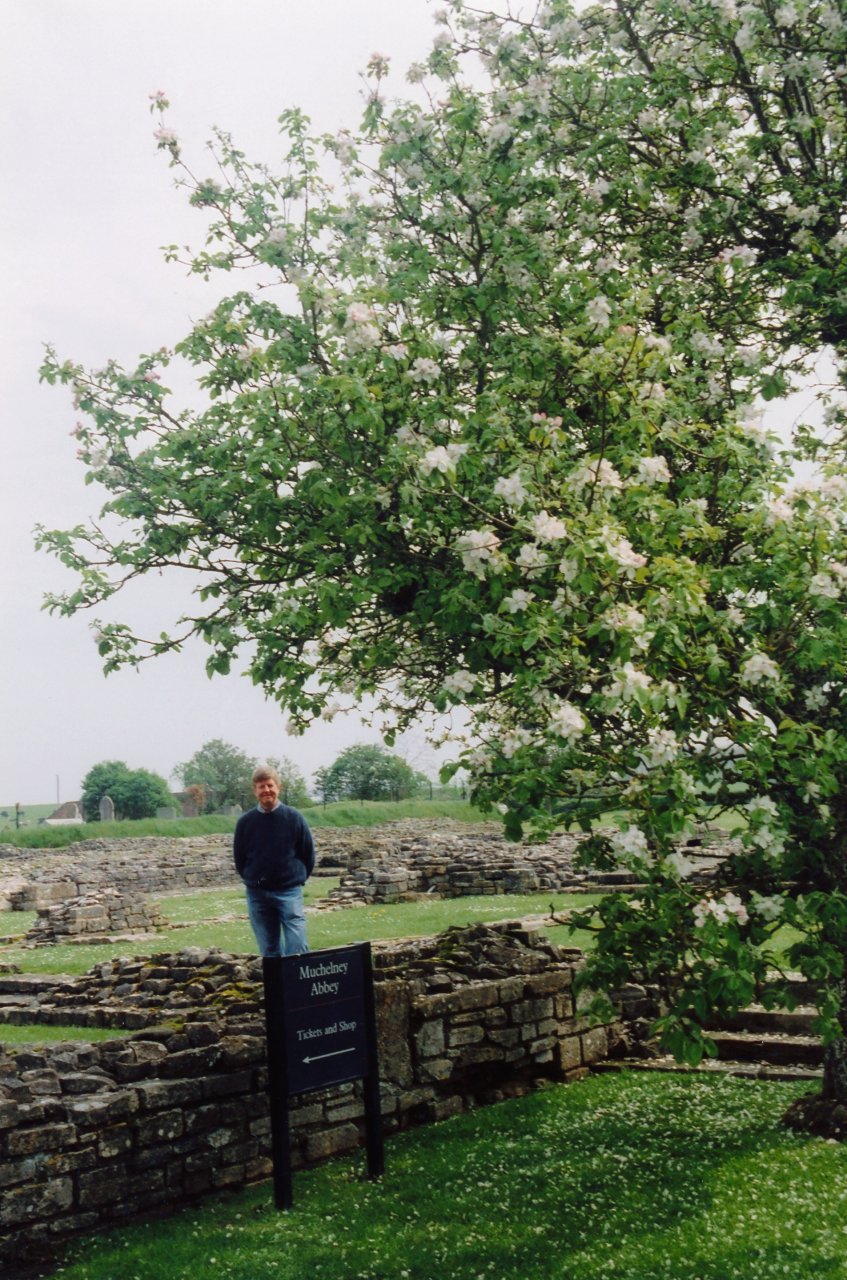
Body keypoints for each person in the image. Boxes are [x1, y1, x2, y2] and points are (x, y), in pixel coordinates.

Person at [233, 765, 316, 957]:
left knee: (297, 948)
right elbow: (240, 858)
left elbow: (307, 853)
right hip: (258, 894)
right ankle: (277, 986)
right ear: (255, 791)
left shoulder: (294, 817)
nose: (266, 790)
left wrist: (297, 878)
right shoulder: (245, 822)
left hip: (288, 891)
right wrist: (252, 878)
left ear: (278, 787)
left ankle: (298, 985)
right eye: (261, 786)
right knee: (269, 950)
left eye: (270, 785)